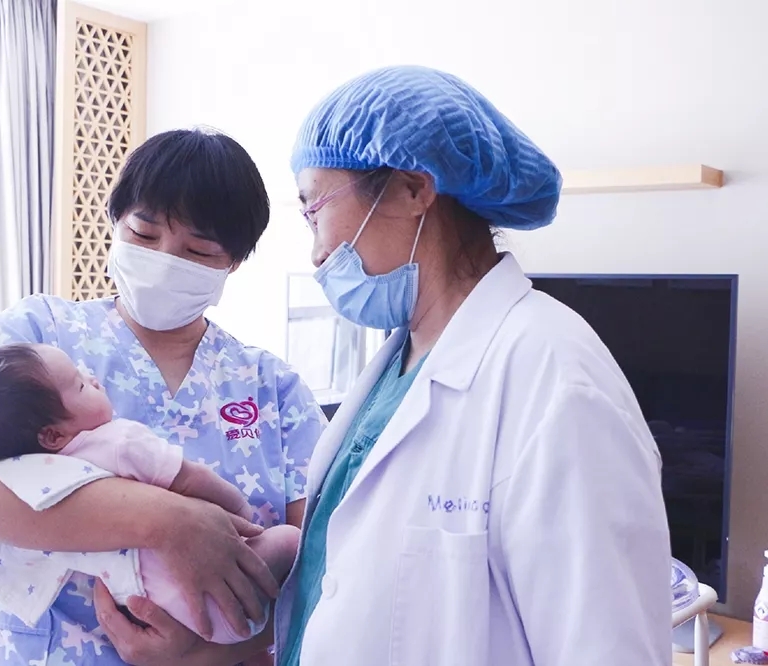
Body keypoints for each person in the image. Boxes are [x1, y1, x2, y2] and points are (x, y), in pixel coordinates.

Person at [265, 65, 670, 665]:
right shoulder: (399, 363)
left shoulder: (557, 380)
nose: (318, 253)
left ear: (412, 189)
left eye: (314, 210)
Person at [0, 128, 326, 666]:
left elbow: (325, 568)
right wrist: (171, 520)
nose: (164, 259)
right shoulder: (39, 336)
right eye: (144, 233)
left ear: (233, 262)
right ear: (114, 222)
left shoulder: (273, 388)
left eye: (198, 251)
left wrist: (201, 655)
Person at [0, 342, 299, 642]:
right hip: (218, 597)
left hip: (149, 610)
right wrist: (241, 515)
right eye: (80, 385)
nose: (92, 378)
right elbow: (192, 479)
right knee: (290, 541)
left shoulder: (22, 479)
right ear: (53, 435)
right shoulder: (119, 442)